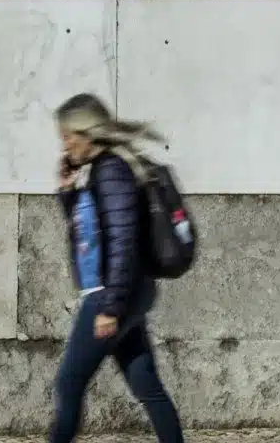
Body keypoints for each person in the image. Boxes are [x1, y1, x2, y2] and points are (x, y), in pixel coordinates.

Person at [49, 93, 184, 443]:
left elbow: (123, 241)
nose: (64, 145)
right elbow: (88, 238)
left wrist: (110, 307)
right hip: (126, 292)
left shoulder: (111, 171)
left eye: (67, 136)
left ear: (86, 133)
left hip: (111, 294)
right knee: (146, 385)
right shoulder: (105, 171)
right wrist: (68, 192)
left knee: (68, 383)